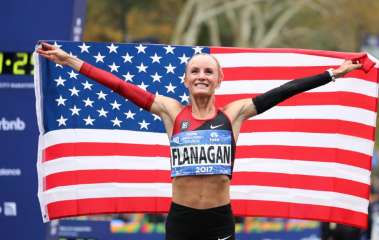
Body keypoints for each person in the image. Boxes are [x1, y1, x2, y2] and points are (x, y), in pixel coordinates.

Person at [37, 42, 362, 240]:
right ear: (186, 80)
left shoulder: (234, 114)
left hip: (219, 219)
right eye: (195, 71)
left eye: (208, 71)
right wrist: (70, 62)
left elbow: (283, 92)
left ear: (219, 79)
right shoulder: (170, 111)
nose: (202, 76)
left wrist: (332, 74)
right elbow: (121, 87)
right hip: (182, 220)